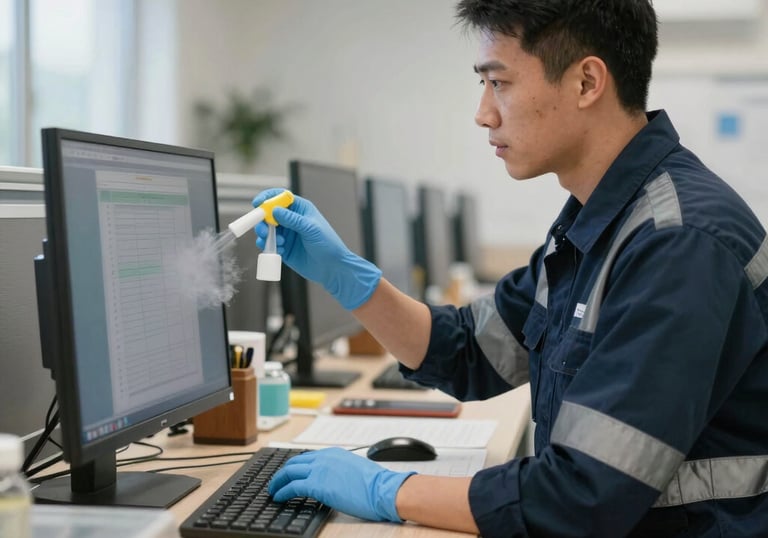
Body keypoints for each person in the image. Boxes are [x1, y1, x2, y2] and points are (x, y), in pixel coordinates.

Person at [255, 1, 768, 536]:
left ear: (587, 82)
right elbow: (470, 352)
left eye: (498, 83)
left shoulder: (677, 245)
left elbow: (580, 499)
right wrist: (348, 278)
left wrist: (390, 491)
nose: (483, 113)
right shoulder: (597, 223)